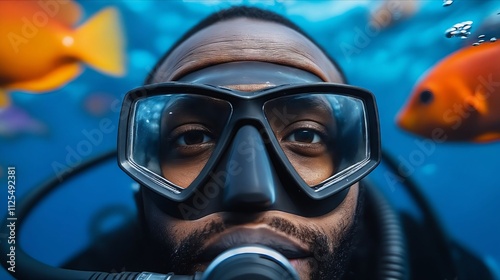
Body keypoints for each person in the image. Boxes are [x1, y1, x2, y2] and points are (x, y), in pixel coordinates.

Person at [61, 6, 493, 280]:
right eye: (193, 137)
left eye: (306, 135)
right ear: (143, 177)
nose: (252, 193)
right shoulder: (96, 268)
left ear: (357, 170)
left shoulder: (439, 267)